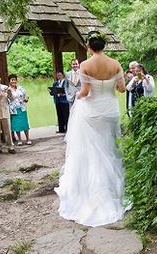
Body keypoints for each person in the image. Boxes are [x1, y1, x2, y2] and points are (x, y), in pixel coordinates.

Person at [54, 31, 129, 227]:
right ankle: (113, 189)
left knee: (93, 150)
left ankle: (95, 191)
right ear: (104, 46)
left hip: (93, 111)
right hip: (111, 110)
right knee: (110, 148)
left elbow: (85, 91)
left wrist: (77, 96)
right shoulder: (116, 64)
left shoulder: (85, 65)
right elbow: (122, 89)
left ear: (89, 47)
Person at [7, 74, 31, 145]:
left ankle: (28, 138)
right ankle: (19, 139)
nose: (13, 81)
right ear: (9, 81)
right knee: (16, 125)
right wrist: (9, 94)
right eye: (12, 80)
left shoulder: (21, 88)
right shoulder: (8, 89)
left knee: (25, 124)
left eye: (14, 80)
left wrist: (26, 99)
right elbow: (10, 99)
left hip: (22, 108)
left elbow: (25, 96)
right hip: (14, 109)